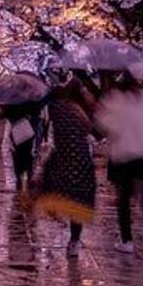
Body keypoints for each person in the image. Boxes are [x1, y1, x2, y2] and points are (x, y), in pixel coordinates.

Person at [94, 72, 143, 253]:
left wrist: (102, 111)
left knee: (124, 199)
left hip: (124, 154)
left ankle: (127, 240)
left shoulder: (115, 99)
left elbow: (106, 126)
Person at [34, 80, 97, 259]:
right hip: (82, 160)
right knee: (78, 199)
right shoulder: (83, 111)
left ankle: (53, 208)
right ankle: (74, 240)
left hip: (63, 158)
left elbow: (45, 100)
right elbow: (93, 130)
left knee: (54, 186)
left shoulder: (57, 107)